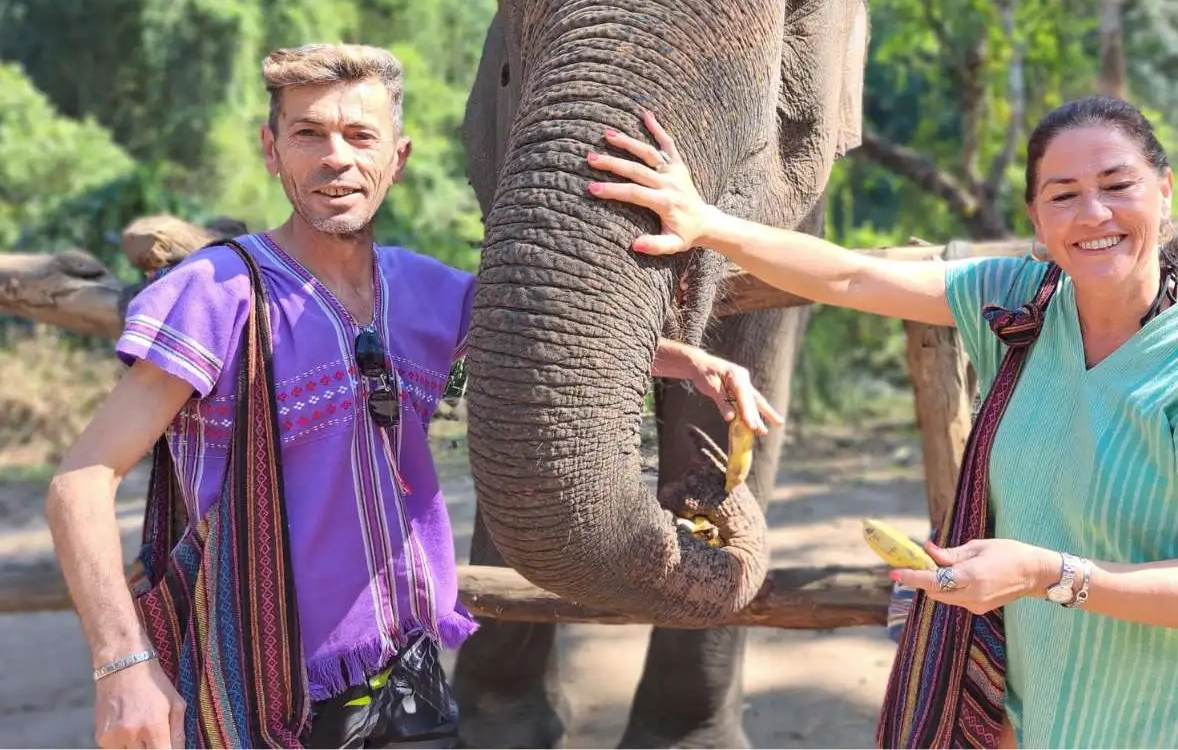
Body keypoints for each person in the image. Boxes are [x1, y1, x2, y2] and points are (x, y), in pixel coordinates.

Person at [45, 42, 782, 750]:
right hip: (255, 680)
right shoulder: (215, 295)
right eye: (309, 133)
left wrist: (692, 364)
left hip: (408, 665)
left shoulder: (427, 289)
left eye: (360, 136)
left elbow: (544, 344)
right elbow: (80, 482)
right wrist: (124, 665)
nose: (336, 156)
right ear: (272, 152)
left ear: (395, 160)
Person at [587, 98, 1178, 749]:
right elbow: (850, 276)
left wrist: (1048, 574)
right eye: (1063, 195)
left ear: (1163, 193)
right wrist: (704, 222)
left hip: (1160, 721)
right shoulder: (1021, 304)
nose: (1093, 215)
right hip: (1022, 711)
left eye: (1118, 186)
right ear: (1036, 219)